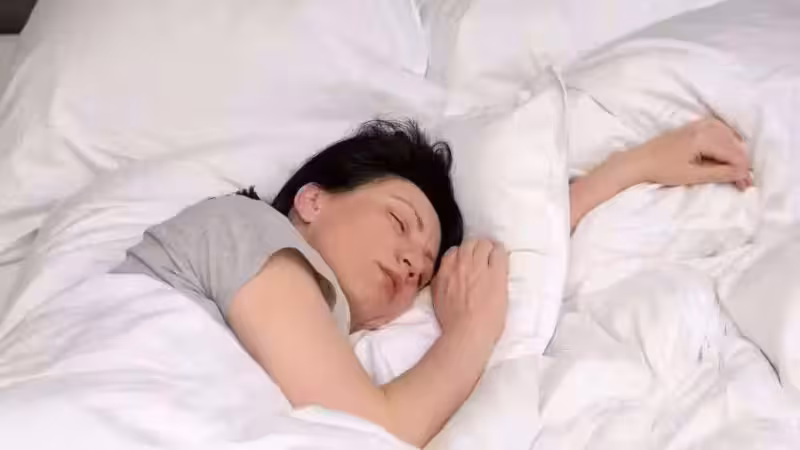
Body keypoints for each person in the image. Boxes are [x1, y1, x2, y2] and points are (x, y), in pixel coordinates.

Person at [114, 116, 750, 448]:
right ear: (312, 200)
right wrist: (471, 332)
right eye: (399, 221)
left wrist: (634, 167)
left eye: (421, 267)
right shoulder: (243, 228)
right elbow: (371, 432)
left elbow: (506, 260)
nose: (410, 265)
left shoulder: (337, 339)